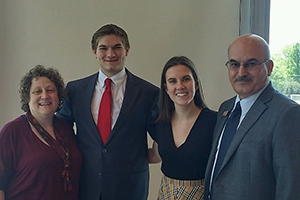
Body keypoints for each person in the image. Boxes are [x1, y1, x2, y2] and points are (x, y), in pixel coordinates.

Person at [56, 24, 159, 200]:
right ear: (94, 52)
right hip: (86, 186)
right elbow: (61, 130)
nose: (110, 54)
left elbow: (161, 134)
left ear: (126, 50)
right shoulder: (75, 90)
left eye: (117, 47)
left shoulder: (148, 93)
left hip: (130, 188)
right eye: (103, 48)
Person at [204, 34, 300, 200]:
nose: (241, 72)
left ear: (269, 67)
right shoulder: (225, 109)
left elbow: (290, 187)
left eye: (251, 64)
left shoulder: (287, 114)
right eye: (234, 64)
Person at [0, 65, 82, 200]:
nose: (45, 96)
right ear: (27, 97)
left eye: (50, 90)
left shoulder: (66, 128)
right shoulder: (12, 132)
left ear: (58, 95)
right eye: (37, 91)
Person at [148, 56, 217, 200]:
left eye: (186, 79)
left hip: (202, 195)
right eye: (173, 81)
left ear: (196, 84)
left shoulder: (214, 122)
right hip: (166, 194)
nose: (180, 86)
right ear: (166, 88)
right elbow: (155, 155)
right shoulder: (161, 123)